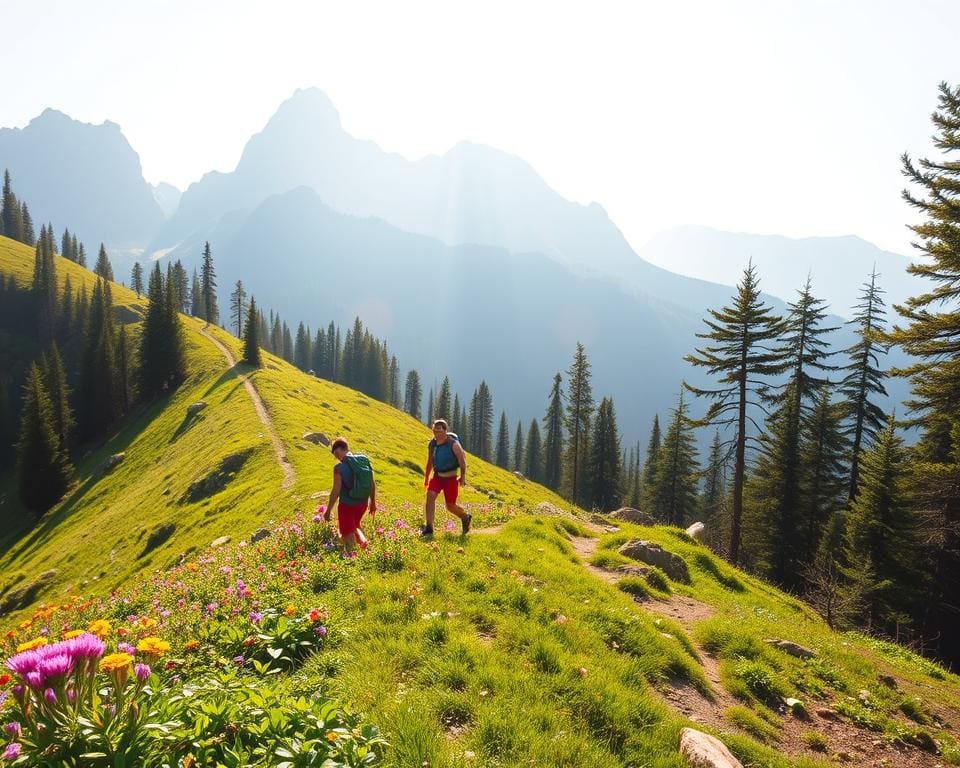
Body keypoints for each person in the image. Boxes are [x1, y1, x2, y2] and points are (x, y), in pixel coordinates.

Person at [323, 437, 376, 555]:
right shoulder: (363, 460)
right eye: (335, 454)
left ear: (344, 449)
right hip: (362, 504)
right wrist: (373, 502)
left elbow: (336, 490)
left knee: (349, 538)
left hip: (347, 507)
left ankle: (360, 557)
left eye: (337, 452)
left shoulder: (338, 468)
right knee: (356, 526)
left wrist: (328, 510)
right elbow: (372, 482)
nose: (337, 456)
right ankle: (367, 551)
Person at [422, 419, 471, 536]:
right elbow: (429, 461)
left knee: (450, 506)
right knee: (430, 496)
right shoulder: (432, 444)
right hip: (438, 477)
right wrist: (426, 478)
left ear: (445, 430)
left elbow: (462, 461)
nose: (437, 432)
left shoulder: (453, 444)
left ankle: (465, 517)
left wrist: (462, 477)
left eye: (439, 430)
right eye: (435, 430)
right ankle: (429, 527)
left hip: (451, 478)